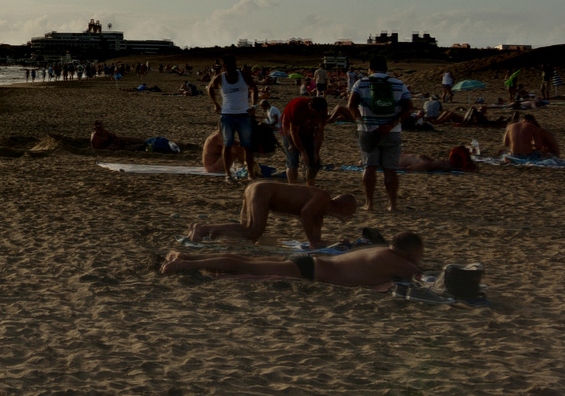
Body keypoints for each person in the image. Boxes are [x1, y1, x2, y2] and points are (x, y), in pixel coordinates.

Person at [161, 232, 426, 287]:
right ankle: (186, 264)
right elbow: (421, 278)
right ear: (412, 252)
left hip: (309, 263)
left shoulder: (380, 250)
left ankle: (188, 256)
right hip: (309, 270)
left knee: (244, 261)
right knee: (245, 267)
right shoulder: (400, 262)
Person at [186, 180, 358, 248]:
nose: (349, 217)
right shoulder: (323, 198)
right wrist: (312, 241)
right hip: (263, 191)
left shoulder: (320, 214)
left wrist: (336, 242)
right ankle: (203, 228)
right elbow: (305, 213)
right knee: (254, 231)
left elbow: (317, 241)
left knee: (248, 233)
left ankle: (209, 231)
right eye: (350, 212)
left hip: (257, 188)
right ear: (344, 205)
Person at [347, 55, 413, 212]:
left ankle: (369, 204)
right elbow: (409, 108)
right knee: (390, 169)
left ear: (369, 69)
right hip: (392, 131)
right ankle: (392, 205)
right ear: (386, 69)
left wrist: (363, 123)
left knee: (369, 167)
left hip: (367, 132)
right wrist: (392, 124)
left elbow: (351, 105)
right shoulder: (398, 83)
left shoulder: (361, 83)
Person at [208, 54, 261, 184]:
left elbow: (254, 88)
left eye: (234, 65)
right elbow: (210, 88)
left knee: (247, 145)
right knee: (227, 144)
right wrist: (215, 103)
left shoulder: (244, 76)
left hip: (243, 114)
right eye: (229, 65)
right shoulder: (220, 78)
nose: (233, 67)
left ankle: (250, 174)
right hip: (227, 115)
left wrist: (253, 105)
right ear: (225, 66)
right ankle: (228, 175)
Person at [280, 95, 329, 185]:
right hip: (289, 130)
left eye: (320, 114)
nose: (317, 116)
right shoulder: (298, 107)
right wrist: (302, 152)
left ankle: (309, 186)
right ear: (310, 107)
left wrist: (316, 152)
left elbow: (319, 132)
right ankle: (293, 187)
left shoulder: (323, 111)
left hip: (308, 130)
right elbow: (293, 132)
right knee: (293, 160)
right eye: (315, 113)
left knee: (315, 161)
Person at [398, 147, 478, 174]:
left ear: (443, 165)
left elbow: (408, 169)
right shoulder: (430, 161)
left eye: (446, 162)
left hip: (392, 158)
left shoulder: (427, 164)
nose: (445, 159)